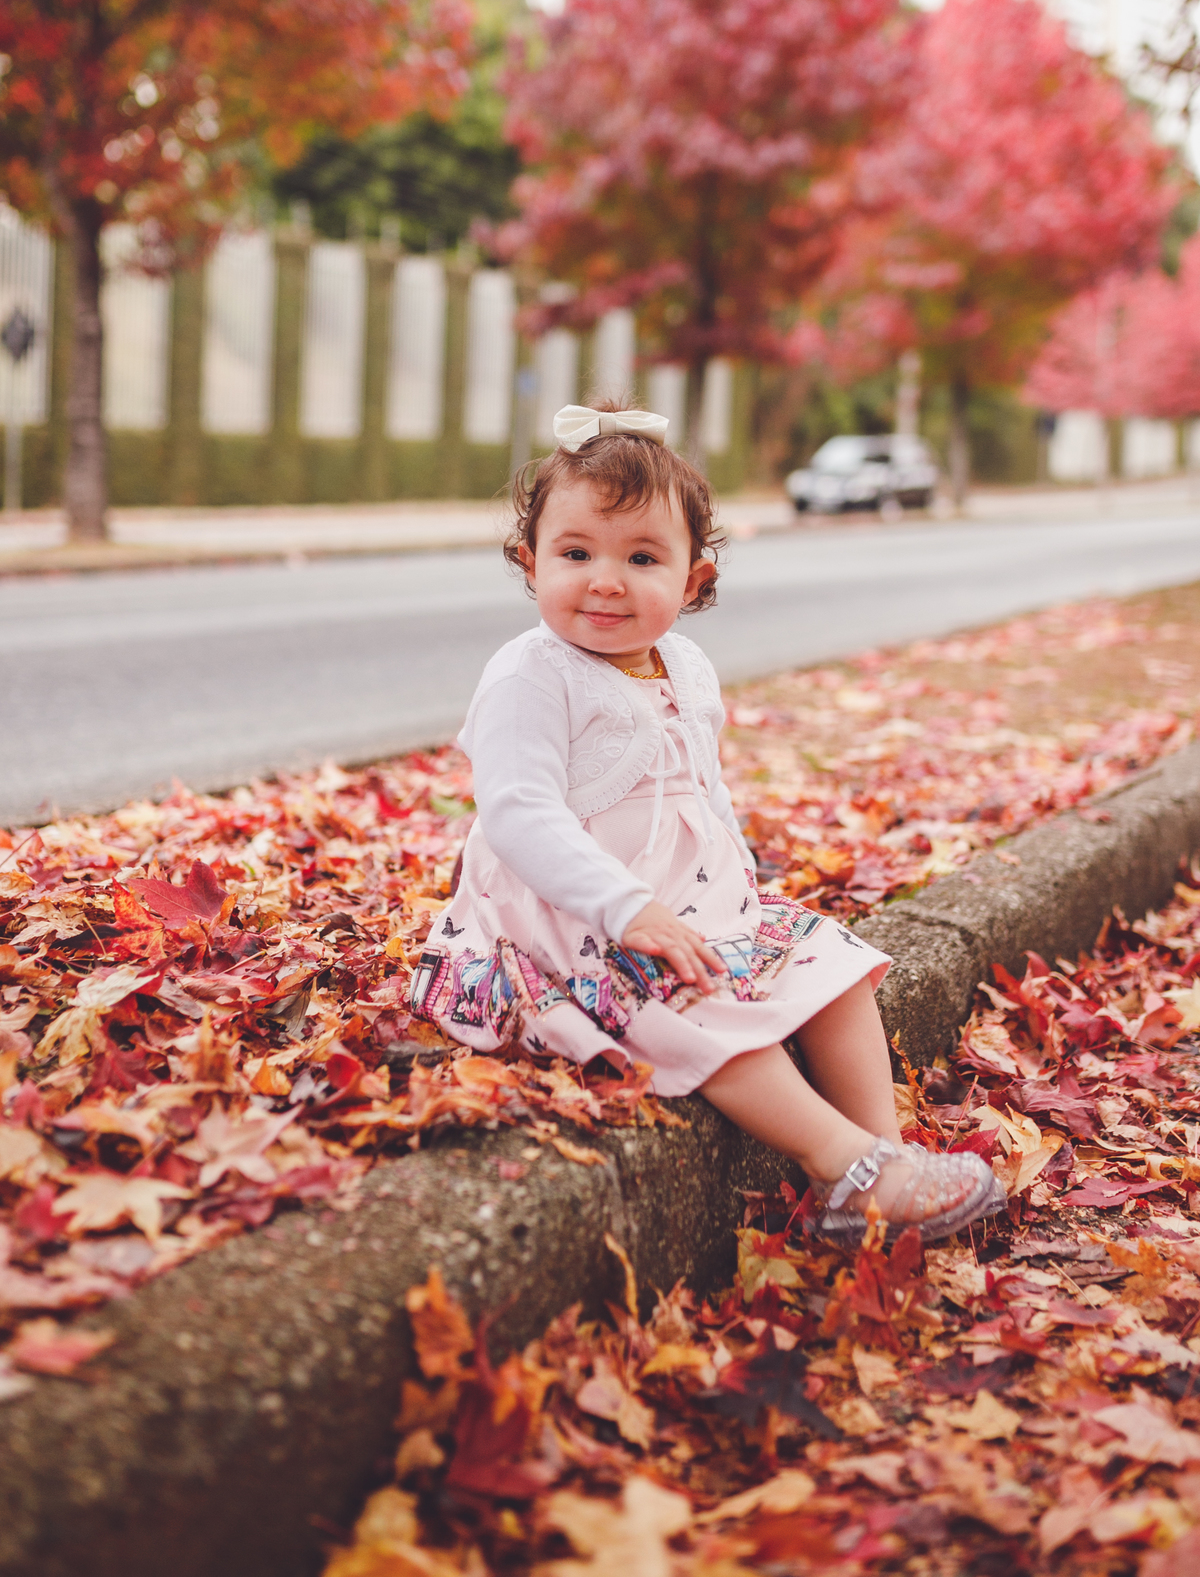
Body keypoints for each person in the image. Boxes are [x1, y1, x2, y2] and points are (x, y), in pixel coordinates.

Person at [411, 402, 1005, 1245]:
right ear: (529, 561)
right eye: (575, 553)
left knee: (824, 962)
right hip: (568, 919)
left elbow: (702, 788)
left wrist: (741, 889)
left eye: (642, 557)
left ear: (693, 580)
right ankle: (841, 1160)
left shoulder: (685, 666)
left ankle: (883, 1158)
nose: (605, 579)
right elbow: (519, 815)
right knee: (686, 994)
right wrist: (626, 910)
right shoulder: (531, 673)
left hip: (683, 903)